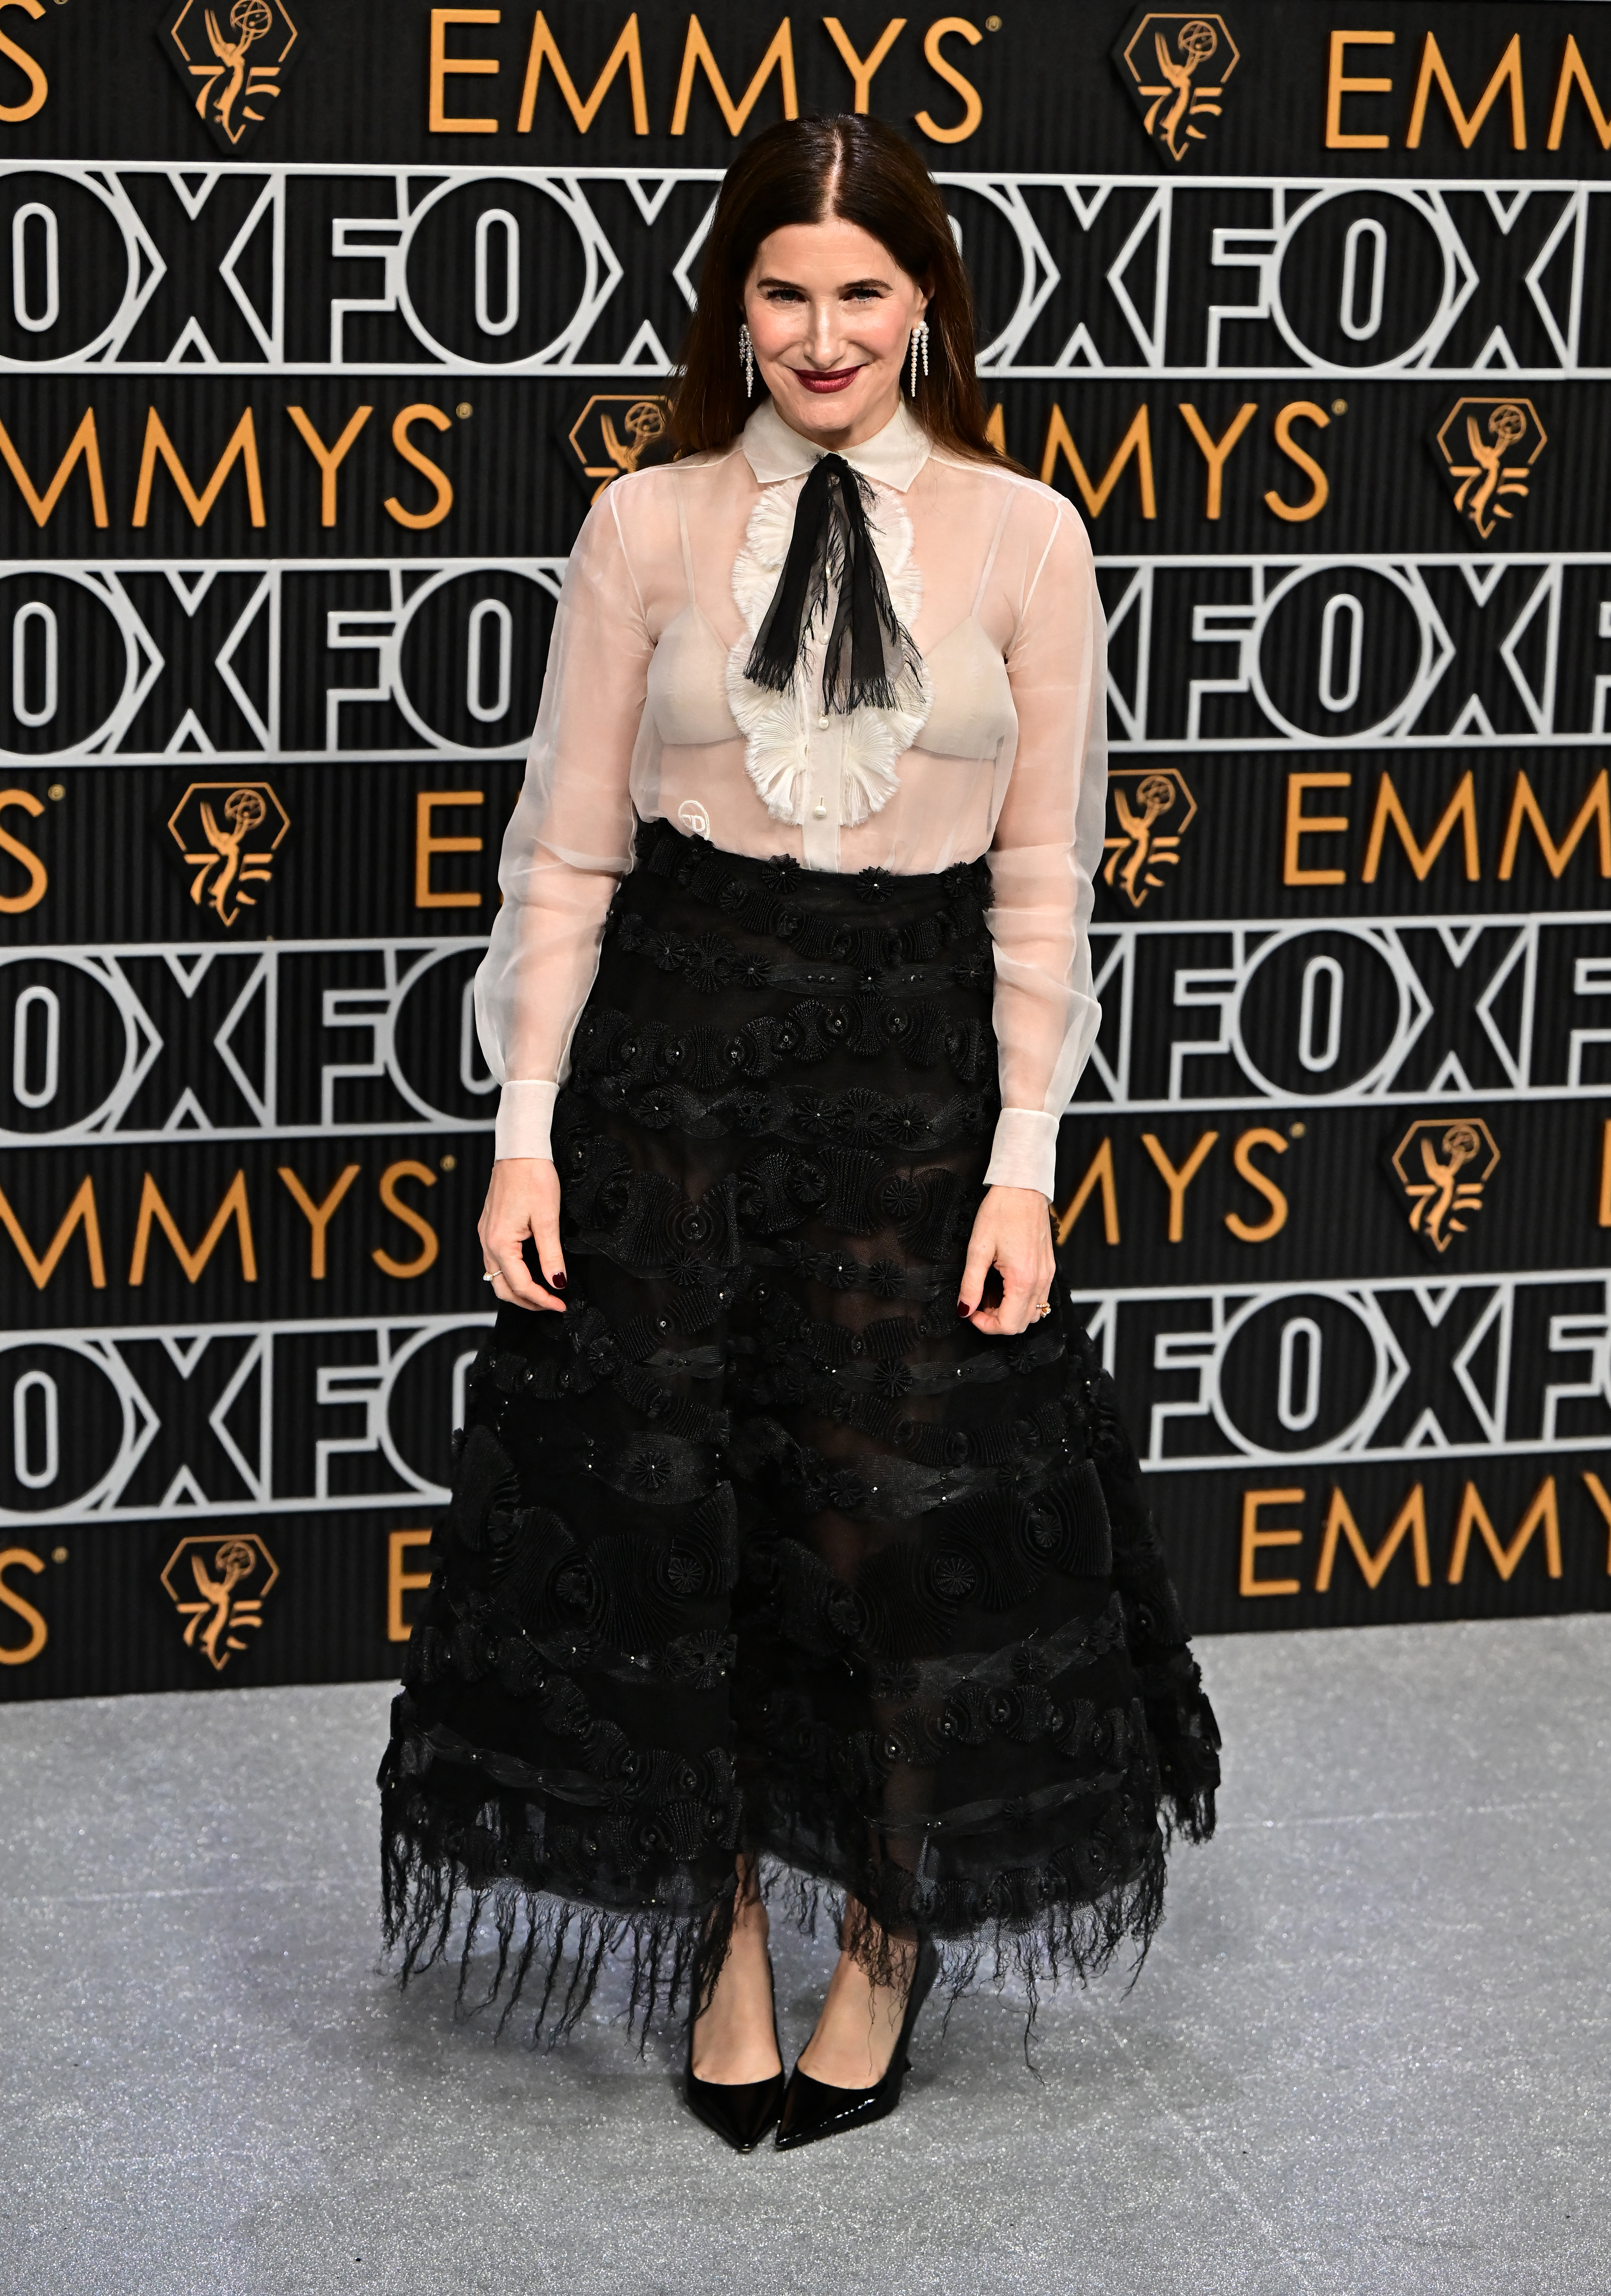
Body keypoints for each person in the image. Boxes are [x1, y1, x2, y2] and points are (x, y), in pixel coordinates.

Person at [378, 113, 1220, 2155]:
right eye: (782, 289)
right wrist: (522, 1130)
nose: (823, 334)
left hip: (920, 1085)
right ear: (732, 305)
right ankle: (731, 1935)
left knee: (901, 1538)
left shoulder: (1029, 538)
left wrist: (1024, 1158)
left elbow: (1047, 880)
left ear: (924, 299)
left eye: (861, 289)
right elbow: (566, 856)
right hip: (676, 1077)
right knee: (699, 1541)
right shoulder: (644, 524)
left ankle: (889, 1943)